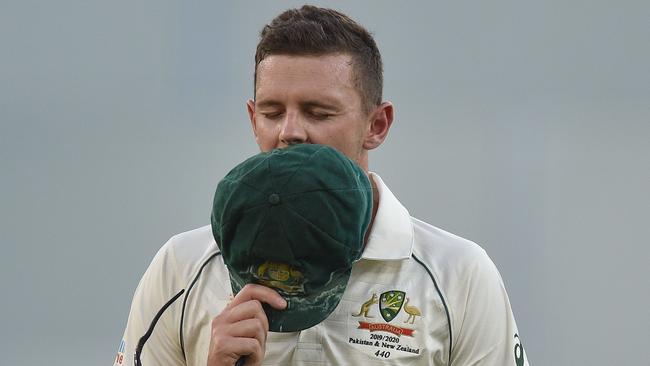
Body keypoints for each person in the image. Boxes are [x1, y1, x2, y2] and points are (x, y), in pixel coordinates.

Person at [114, 5, 530, 366]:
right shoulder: (182, 267)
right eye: (272, 112)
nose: (290, 132)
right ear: (252, 119)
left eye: (318, 112)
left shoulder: (458, 274)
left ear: (377, 124)